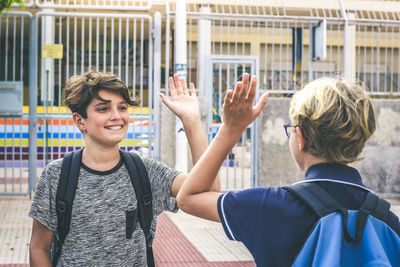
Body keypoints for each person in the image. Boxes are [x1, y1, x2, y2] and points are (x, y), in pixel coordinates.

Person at [174, 74, 400, 266]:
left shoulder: (270, 205)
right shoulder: (386, 219)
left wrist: (231, 130)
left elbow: (189, 197)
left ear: (300, 138)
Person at [29, 70, 220, 266]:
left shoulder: (145, 171)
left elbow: (208, 191)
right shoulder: (57, 175)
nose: (117, 116)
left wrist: (192, 123)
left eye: (122, 107)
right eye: (103, 109)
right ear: (80, 121)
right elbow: (38, 247)